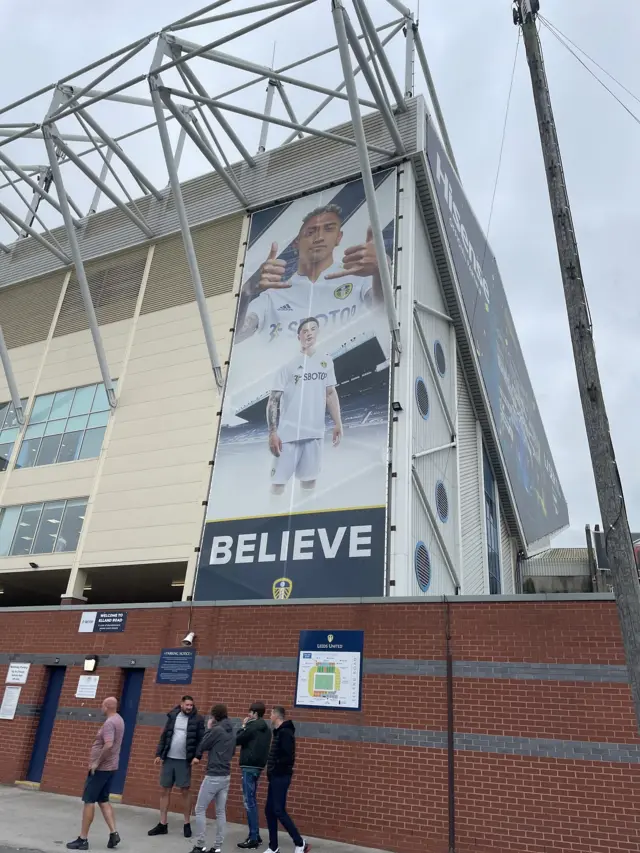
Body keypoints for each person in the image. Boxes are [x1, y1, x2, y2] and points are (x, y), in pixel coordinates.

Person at [238, 204, 388, 344]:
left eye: (328, 229)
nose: (319, 238)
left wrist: (382, 269)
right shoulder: (273, 295)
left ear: (339, 237)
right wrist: (246, 291)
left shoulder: (358, 277)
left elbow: (384, 312)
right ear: (297, 242)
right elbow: (236, 336)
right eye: (310, 232)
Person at [267, 317, 342, 495]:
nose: (309, 333)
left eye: (313, 329)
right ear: (298, 336)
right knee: (278, 485)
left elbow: (330, 393)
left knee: (309, 483)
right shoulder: (288, 364)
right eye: (305, 330)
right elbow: (274, 399)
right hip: (288, 435)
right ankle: (273, 516)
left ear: (317, 333)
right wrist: (272, 432)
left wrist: (338, 423)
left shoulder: (326, 361)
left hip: (314, 433)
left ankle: (304, 513)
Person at [66, 697, 124, 851]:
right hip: (111, 767)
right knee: (103, 800)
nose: (101, 707)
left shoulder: (110, 723)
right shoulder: (119, 719)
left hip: (101, 769)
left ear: (107, 706)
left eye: (102, 705)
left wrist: (96, 763)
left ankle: (83, 839)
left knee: (89, 801)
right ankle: (113, 833)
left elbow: (109, 744)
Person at [148, 694, 205, 838]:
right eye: (187, 705)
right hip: (168, 759)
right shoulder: (173, 716)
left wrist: (198, 756)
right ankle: (162, 824)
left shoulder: (197, 719)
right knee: (164, 790)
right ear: (181, 704)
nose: (189, 707)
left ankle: (186, 824)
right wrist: (158, 754)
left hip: (184, 761)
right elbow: (165, 736)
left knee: (185, 791)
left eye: (191, 705)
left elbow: (201, 740)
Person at [190, 703, 236, 853]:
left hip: (213, 775)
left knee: (200, 809)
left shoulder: (216, 730)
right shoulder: (231, 731)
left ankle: (200, 844)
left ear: (214, 716)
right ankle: (217, 847)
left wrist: (209, 728)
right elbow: (233, 751)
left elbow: (203, 744)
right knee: (220, 812)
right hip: (225, 776)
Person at [264, 706, 308, 853]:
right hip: (275, 776)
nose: (269, 716)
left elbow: (288, 757)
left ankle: (300, 842)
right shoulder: (278, 732)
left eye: (271, 714)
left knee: (278, 810)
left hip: (281, 776)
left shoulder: (286, 733)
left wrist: (275, 767)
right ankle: (273, 846)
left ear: (277, 716)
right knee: (269, 810)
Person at [236, 701, 272, 849]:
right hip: (258, 767)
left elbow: (237, 739)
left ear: (255, 714)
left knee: (249, 802)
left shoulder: (251, 726)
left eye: (250, 713)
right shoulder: (267, 729)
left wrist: (243, 725)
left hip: (248, 766)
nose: (248, 715)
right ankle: (255, 835)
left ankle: (253, 837)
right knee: (252, 801)